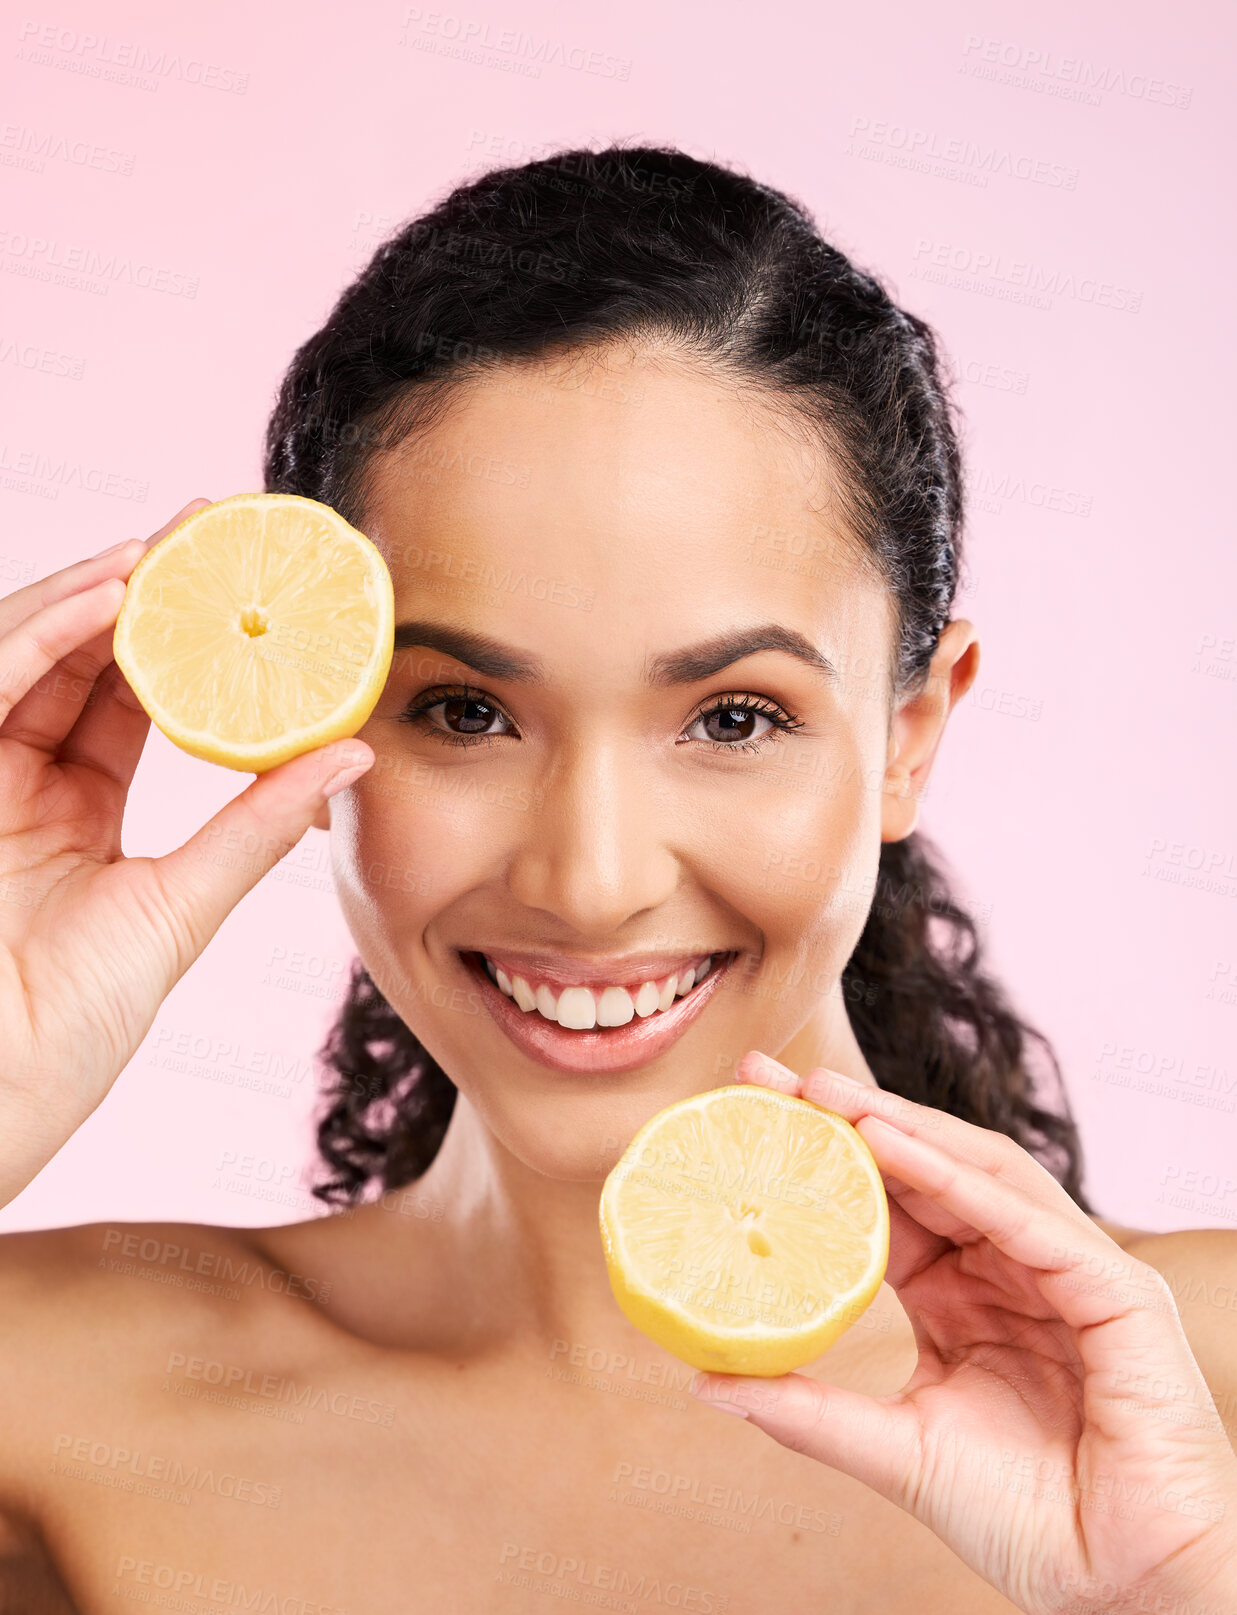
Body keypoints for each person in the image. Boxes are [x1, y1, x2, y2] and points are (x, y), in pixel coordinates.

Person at [0, 145, 1233, 1613]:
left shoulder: (1195, 1403)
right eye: (464, 711)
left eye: (732, 718)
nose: (587, 884)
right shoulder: (52, 1409)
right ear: (313, 722)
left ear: (912, 732)